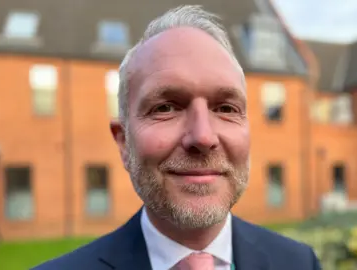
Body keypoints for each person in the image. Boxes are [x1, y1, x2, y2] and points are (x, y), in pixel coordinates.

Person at [33, 5, 321, 270]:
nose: (203, 136)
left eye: (225, 108)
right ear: (123, 142)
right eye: (166, 107)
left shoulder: (298, 262)